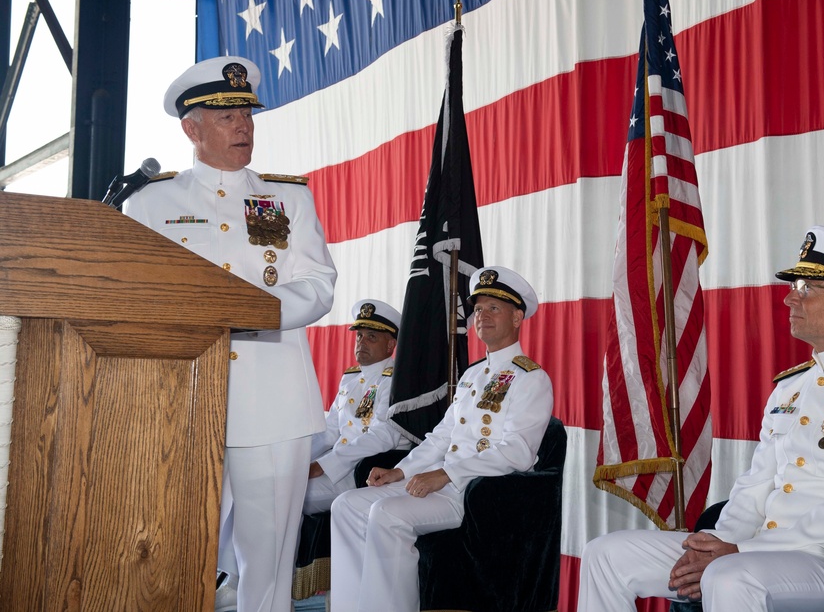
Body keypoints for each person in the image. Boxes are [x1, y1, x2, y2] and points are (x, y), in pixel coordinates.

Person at [577, 225, 824, 612]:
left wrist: (739, 551)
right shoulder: (789, 388)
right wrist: (718, 540)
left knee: (729, 576)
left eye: (804, 287)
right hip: (754, 550)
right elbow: (757, 483)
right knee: (606, 554)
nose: (789, 299)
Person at [123, 56, 338, 612]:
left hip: (273, 401)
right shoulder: (149, 204)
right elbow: (134, 295)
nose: (242, 124)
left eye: (246, 112)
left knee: (267, 562)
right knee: (176, 548)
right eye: (225, 116)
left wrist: (243, 309)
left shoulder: (286, 199)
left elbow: (317, 285)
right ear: (190, 128)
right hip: (181, 399)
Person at [327, 266, 554, 612]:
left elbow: (518, 452)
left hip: (477, 495)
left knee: (387, 514)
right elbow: (441, 436)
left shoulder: (531, 378)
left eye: (494, 308)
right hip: (438, 484)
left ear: (518, 316)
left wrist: (446, 475)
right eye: (478, 309)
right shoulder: (473, 375)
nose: (483, 316)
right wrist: (399, 472)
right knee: (347, 505)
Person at [303, 299, 410, 515]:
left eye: (372, 337)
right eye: (359, 335)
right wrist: (299, 458)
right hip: (337, 465)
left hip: (364, 470)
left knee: (289, 496)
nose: (362, 342)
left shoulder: (396, 381)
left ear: (390, 345)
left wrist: (323, 465)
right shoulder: (351, 378)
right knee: (280, 486)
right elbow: (330, 430)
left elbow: (383, 436)